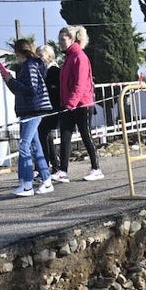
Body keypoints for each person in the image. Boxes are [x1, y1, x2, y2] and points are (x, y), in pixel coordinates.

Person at [0, 39, 53, 197]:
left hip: (33, 109)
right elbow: (22, 89)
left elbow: (31, 90)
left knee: (24, 145)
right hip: (31, 109)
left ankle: (27, 183)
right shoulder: (32, 65)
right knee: (35, 145)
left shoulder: (29, 66)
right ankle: (46, 180)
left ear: (18, 53)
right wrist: (10, 80)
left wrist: (10, 80)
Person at [57, 25, 104, 181]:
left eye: (63, 39)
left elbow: (80, 83)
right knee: (65, 136)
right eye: (59, 40)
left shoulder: (79, 57)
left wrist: (71, 103)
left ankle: (96, 168)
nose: (60, 43)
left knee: (86, 135)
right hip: (69, 105)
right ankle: (62, 171)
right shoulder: (68, 57)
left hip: (82, 105)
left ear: (72, 39)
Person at [37, 44, 64, 180]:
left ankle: (48, 166)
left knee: (44, 136)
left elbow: (54, 89)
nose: (39, 58)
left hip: (51, 108)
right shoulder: (42, 70)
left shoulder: (53, 70)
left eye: (41, 55)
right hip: (45, 107)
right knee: (46, 137)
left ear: (48, 55)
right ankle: (53, 165)